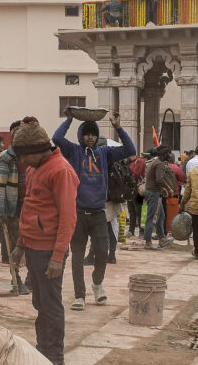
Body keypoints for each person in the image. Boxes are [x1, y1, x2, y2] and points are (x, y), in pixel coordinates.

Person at [8, 117, 78, 365]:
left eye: (25, 156)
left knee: (50, 304)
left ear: (37, 150)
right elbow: (29, 209)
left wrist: (58, 256)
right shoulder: (33, 169)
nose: (23, 162)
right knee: (40, 303)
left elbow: (68, 218)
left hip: (50, 250)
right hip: (34, 248)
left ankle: (55, 357)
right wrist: (20, 245)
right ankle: (43, 349)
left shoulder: (61, 171)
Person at [52, 108, 136, 310]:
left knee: (102, 251)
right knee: (77, 256)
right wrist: (70, 119)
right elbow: (57, 138)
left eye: (93, 134)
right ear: (81, 136)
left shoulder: (105, 153)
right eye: (87, 134)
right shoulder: (73, 151)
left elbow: (130, 149)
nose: (90, 138)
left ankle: (97, 284)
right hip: (78, 213)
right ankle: (79, 295)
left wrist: (118, 127)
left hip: (99, 212)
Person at [0, 121, 27, 290]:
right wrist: (2, 212)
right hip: (13, 207)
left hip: (30, 205)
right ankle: (16, 279)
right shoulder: (6, 158)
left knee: (31, 245)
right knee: (14, 245)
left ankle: (30, 278)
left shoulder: (32, 158)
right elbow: (1, 187)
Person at [143, 146, 175, 250]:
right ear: (165, 154)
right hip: (153, 193)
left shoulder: (155, 162)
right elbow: (159, 179)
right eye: (169, 153)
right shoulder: (160, 164)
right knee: (152, 217)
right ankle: (148, 242)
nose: (171, 156)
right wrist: (168, 188)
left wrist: (163, 189)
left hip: (153, 191)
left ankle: (162, 238)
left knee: (161, 215)